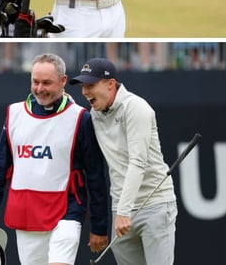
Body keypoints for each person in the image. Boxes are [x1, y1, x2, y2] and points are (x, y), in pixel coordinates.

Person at [0, 53, 109, 265]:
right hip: (27, 213)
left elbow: (95, 175)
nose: (40, 88)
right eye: (35, 82)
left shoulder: (80, 118)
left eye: (47, 83)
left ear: (63, 81)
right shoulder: (15, 113)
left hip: (67, 212)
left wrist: (99, 226)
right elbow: (0, 164)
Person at [70, 58, 177, 265]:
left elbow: (138, 162)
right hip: (121, 209)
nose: (85, 92)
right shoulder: (95, 113)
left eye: (90, 85)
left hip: (154, 204)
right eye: (83, 86)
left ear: (111, 84)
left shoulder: (136, 107)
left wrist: (123, 211)